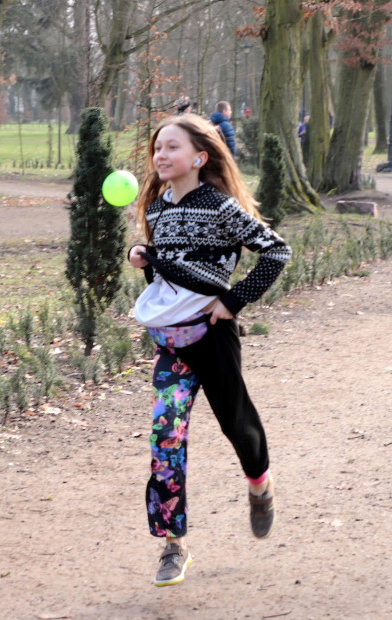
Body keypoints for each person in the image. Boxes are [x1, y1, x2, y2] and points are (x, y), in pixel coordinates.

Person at [127, 114, 291, 587]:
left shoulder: (219, 207)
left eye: (172, 147)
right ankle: (172, 544)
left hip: (212, 339)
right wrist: (145, 257)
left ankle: (260, 484)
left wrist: (234, 300)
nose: (161, 155)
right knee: (166, 439)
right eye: (158, 148)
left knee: (237, 426)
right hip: (170, 344)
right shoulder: (157, 209)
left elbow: (276, 251)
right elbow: (171, 276)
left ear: (199, 157)